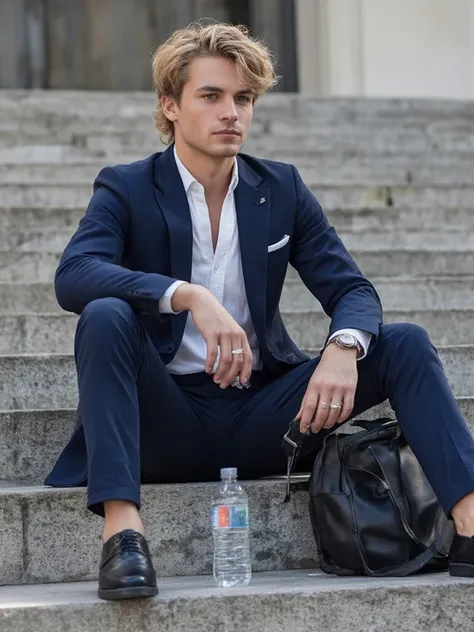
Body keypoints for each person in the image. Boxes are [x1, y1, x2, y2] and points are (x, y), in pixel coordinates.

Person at [45, 21, 474, 601]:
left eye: (243, 98)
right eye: (211, 96)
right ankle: (123, 536)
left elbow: (353, 289)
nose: (232, 113)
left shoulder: (281, 189)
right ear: (170, 106)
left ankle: (470, 522)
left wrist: (343, 349)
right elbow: (74, 275)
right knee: (104, 315)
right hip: (162, 421)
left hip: (262, 417)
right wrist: (188, 295)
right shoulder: (127, 188)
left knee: (405, 341)